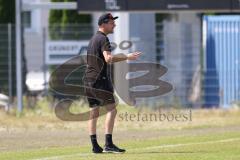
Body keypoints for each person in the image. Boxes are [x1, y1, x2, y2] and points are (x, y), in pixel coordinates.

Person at [83, 13, 141, 154]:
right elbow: (108, 58)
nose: (114, 25)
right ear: (103, 24)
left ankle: (95, 145)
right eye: (111, 22)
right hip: (100, 80)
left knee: (94, 112)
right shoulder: (103, 39)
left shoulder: (93, 39)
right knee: (112, 110)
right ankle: (108, 144)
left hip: (88, 79)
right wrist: (127, 56)